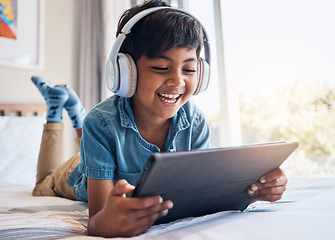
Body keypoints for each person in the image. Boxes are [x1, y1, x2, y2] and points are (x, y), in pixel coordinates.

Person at [32, 0, 288, 238]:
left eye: (189, 69)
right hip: (77, 174)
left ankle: (75, 110)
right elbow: (97, 221)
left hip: (104, 147)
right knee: (43, 182)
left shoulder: (195, 122)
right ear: (125, 72)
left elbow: (201, 192)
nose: (177, 81)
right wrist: (106, 221)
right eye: (161, 68)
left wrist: (254, 189)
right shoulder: (99, 123)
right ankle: (56, 110)